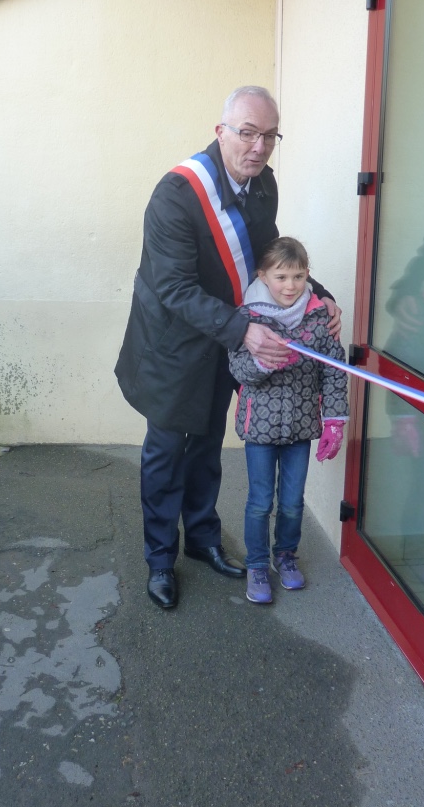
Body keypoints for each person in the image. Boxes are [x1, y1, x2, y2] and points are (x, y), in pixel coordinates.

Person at [115, 86, 341, 610]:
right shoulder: (176, 194)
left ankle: (202, 539)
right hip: (174, 346)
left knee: (208, 446)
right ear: (221, 132)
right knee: (166, 455)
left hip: (225, 342)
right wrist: (244, 332)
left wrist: (318, 295)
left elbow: (268, 256)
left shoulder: (263, 187)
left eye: (269, 136)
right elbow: (173, 288)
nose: (258, 147)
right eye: (247, 133)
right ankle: (158, 560)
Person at [228, 237, 349, 604]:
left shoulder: (317, 317)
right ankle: (258, 564)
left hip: (300, 426)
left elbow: (334, 370)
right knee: (260, 501)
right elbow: (238, 368)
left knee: (293, 501)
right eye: (281, 276)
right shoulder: (247, 318)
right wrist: (264, 361)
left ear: (307, 275)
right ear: (263, 276)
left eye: (298, 276)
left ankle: (286, 556)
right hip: (260, 428)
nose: (290, 286)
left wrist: (334, 419)